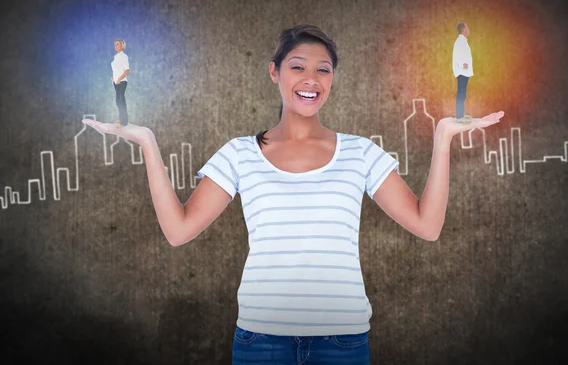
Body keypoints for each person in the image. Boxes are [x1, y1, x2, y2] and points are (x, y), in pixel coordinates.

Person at [83, 25, 504, 364]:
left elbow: (427, 227)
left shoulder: (360, 153)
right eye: (298, 66)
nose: (311, 79)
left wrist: (444, 137)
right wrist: (148, 143)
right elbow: (178, 232)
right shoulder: (239, 154)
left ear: (333, 79)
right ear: (274, 72)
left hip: (342, 344)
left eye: (323, 70)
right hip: (260, 343)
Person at [453, 23, 473, 124]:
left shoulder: (463, 41)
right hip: (462, 71)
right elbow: (457, 53)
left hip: (464, 71)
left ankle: (461, 114)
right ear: (463, 29)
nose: (469, 30)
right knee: (461, 93)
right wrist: (462, 64)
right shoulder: (460, 41)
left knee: (462, 93)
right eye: (467, 28)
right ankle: (459, 116)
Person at [111, 39, 130, 127]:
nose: (116, 46)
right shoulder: (116, 57)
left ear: (122, 46)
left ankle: (124, 122)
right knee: (118, 101)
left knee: (121, 101)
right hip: (116, 82)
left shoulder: (124, 56)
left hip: (122, 82)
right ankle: (121, 118)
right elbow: (116, 69)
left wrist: (119, 79)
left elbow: (127, 70)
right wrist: (113, 78)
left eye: (117, 44)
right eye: (115, 44)